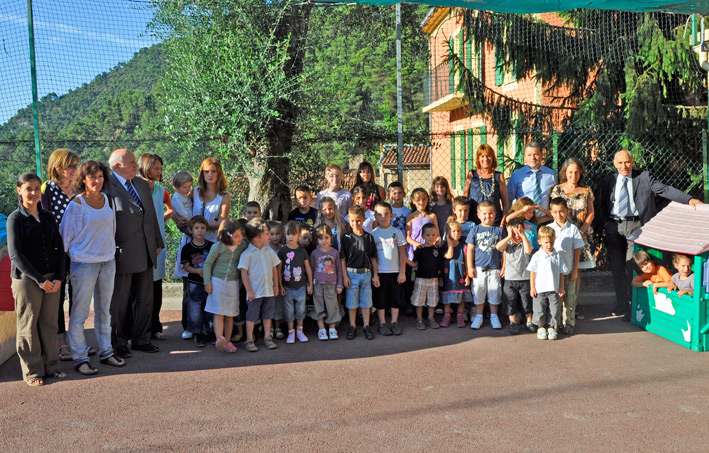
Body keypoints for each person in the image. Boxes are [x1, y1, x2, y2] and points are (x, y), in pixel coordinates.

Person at [598, 149, 702, 321]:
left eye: (627, 162)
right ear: (615, 164)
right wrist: (604, 223)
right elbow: (602, 203)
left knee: (633, 265)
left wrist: (688, 199)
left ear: (632, 162)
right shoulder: (609, 180)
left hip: (636, 227)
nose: (624, 166)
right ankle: (621, 305)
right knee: (617, 267)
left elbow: (665, 190)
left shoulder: (644, 177)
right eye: (620, 163)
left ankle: (633, 308)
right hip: (614, 226)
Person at [59, 161, 125, 375]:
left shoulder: (107, 200)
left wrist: (107, 253)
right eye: (91, 177)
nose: (97, 181)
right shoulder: (76, 204)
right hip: (84, 265)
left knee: (104, 312)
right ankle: (80, 358)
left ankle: (106, 352)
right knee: (79, 314)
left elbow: (112, 229)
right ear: (83, 180)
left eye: (99, 176)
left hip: (108, 262)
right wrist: (80, 256)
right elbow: (65, 237)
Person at [8, 173, 67, 386]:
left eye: (36, 188)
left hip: (53, 279)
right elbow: (16, 254)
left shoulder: (48, 216)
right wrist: (40, 280)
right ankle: (32, 372)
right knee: (28, 326)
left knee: (49, 324)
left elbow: (59, 248)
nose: (33, 193)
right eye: (28, 188)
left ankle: (52, 366)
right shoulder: (15, 218)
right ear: (19, 190)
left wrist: (60, 277)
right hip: (27, 280)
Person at [107, 149, 164, 358]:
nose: (135, 165)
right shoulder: (107, 187)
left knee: (145, 299)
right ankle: (119, 343)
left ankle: (141, 339)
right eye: (130, 162)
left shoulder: (141, 184)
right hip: (122, 253)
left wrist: (158, 241)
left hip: (147, 250)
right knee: (120, 303)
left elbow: (152, 217)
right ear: (116, 167)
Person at [174, 158, 231, 339]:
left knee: (209, 287)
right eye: (206, 171)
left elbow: (222, 223)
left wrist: (201, 224)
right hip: (191, 244)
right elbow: (178, 205)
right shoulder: (194, 192)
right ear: (202, 173)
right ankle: (189, 327)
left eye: (213, 171)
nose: (210, 174)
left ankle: (208, 326)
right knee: (189, 287)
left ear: (219, 173)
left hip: (211, 246)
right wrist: (176, 218)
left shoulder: (224, 196)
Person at [40, 148, 79, 362]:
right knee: (57, 298)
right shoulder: (47, 190)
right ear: (58, 168)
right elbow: (45, 223)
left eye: (76, 165)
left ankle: (76, 341)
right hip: (57, 254)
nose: (75, 169)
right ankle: (61, 343)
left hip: (79, 253)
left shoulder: (79, 189)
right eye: (71, 166)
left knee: (78, 297)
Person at [550, 157, 596, 320]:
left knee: (576, 272)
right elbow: (554, 212)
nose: (573, 175)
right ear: (565, 173)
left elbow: (591, 212)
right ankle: (560, 306)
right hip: (563, 236)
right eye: (570, 172)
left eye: (576, 172)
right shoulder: (558, 190)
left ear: (580, 173)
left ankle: (572, 307)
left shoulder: (586, 190)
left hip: (582, 236)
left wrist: (582, 231)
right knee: (561, 270)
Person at [137, 153, 172, 342]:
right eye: (156, 168)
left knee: (155, 288)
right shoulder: (133, 188)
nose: (159, 171)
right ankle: (137, 330)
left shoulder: (161, 191)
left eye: (161, 168)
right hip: (138, 248)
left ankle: (154, 327)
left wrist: (162, 219)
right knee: (138, 290)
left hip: (157, 248)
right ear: (145, 167)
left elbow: (172, 209)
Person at [239, 218, 281, 352]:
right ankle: (249, 339)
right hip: (254, 293)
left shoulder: (269, 251)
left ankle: (268, 337)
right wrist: (249, 291)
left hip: (268, 290)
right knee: (251, 316)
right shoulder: (246, 254)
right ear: (258, 237)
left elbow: (275, 268)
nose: (270, 236)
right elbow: (244, 274)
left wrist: (276, 286)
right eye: (267, 234)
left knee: (268, 315)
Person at [204, 220, 245, 353]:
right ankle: (219, 339)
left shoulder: (242, 246)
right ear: (228, 236)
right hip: (217, 282)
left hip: (233, 283)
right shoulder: (218, 247)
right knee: (219, 312)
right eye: (237, 235)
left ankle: (228, 341)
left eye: (241, 235)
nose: (240, 238)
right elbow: (207, 264)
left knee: (230, 313)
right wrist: (207, 282)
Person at [341, 205, 379, 340]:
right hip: (351, 274)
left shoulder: (369, 238)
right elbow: (343, 259)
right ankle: (352, 325)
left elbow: (373, 258)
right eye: (352, 221)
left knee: (366, 301)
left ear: (364, 220)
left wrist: (375, 275)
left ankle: (366, 325)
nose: (355, 223)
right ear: (349, 220)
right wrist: (345, 276)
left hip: (366, 274)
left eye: (358, 220)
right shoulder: (346, 237)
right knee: (352, 302)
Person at [466, 201, 505, 330]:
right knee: (478, 292)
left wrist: (503, 266)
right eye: (484, 214)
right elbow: (470, 250)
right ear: (478, 215)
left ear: (495, 214)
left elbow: (503, 251)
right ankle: (479, 316)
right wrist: (470, 267)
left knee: (494, 292)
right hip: (479, 269)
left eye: (490, 214)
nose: (487, 216)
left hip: (494, 269)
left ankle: (494, 316)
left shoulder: (499, 231)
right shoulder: (475, 230)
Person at [548, 198, 584, 335]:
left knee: (570, 300)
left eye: (562, 211)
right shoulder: (549, 229)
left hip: (568, 271)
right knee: (555, 300)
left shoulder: (572, 229)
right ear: (551, 213)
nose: (559, 215)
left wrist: (575, 269)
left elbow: (577, 250)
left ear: (567, 211)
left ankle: (569, 324)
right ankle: (555, 324)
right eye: (556, 212)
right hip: (554, 273)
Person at [371, 202, 407, 336]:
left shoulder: (396, 232)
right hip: (380, 273)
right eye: (379, 214)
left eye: (386, 214)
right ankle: (382, 323)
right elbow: (373, 257)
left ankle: (394, 322)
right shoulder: (373, 234)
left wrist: (402, 272)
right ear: (375, 216)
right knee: (380, 299)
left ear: (391, 215)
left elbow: (403, 253)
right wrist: (375, 275)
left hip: (395, 272)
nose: (383, 217)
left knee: (395, 298)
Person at [527, 226, 568, 340]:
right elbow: (532, 273)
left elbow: (561, 273)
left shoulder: (558, 256)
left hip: (554, 289)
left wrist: (561, 287)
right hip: (539, 289)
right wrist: (532, 288)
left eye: (551, 242)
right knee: (539, 309)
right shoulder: (537, 256)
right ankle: (540, 327)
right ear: (539, 242)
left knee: (554, 310)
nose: (549, 245)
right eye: (546, 242)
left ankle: (551, 327)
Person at [496, 217, 533, 335]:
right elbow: (498, 247)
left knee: (526, 301)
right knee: (510, 301)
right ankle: (512, 322)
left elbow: (528, 251)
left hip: (525, 278)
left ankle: (529, 321)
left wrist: (522, 235)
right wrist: (509, 236)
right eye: (514, 233)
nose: (516, 236)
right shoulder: (508, 243)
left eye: (518, 233)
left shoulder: (524, 242)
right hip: (510, 279)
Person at [278, 221, 313, 344]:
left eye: (293, 234)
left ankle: (299, 331)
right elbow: (279, 270)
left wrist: (310, 284)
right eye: (288, 234)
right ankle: (291, 332)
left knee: (300, 310)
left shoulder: (302, 251)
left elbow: (308, 268)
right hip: (287, 287)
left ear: (299, 235)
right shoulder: (282, 251)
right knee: (288, 310)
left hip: (301, 287)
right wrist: (280, 285)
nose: (290, 237)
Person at [181, 216, 213, 348]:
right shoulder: (187, 248)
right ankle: (197, 333)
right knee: (195, 308)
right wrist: (198, 271)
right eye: (197, 228)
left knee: (210, 307)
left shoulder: (211, 246)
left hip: (209, 283)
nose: (200, 231)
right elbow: (186, 267)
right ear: (191, 230)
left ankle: (211, 332)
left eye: (203, 228)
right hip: (194, 283)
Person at [506, 142, 557, 224]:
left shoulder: (551, 175)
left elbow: (555, 199)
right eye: (529, 155)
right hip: (523, 221)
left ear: (541, 155)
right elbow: (508, 199)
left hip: (545, 220)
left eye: (536, 154)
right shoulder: (517, 175)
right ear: (525, 157)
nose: (532, 158)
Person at [310, 225, 344, 340]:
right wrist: (310, 285)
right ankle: (322, 329)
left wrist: (340, 284)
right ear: (316, 239)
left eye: (326, 237)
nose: (323, 241)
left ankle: (332, 328)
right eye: (320, 238)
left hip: (332, 285)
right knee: (318, 307)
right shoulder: (314, 253)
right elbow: (311, 269)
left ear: (331, 237)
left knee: (332, 307)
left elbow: (339, 270)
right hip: (318, 285)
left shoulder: (335, 252)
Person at [408, 223, 443, 330]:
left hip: (434, 279)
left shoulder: (438, 249)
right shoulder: (420, 249)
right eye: (428, 235)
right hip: (421, 278)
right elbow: (415, 264)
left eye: (433, 235)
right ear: (422, 236)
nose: (431, 237)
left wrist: (440, 278)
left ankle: (431, 318)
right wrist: (405, 260)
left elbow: (440, 265)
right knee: (419, 300)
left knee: (432, 301)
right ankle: (419, 319)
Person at [464, 144, 509, 225]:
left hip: (494, 222)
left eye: (488, 156)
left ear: (493, 158)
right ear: (478, 159)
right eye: (482, 156)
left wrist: (502, 222)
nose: (485, 159)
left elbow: (505, 202)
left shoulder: (499, 176)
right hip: (474, 221)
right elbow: (464, 198)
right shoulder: (471, 175)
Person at [440, 219, 471, 328]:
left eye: (458, 231)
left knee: (461, 297)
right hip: (449, 275)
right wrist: (449, 243)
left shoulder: (464, 246)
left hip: (460, 274)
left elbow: (467, 262)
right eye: (453, 231)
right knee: (447, 297)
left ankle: (460, 316)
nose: (456, 233)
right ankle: (447, 316)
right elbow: (449, 256)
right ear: (448, 233)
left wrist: (467, 276)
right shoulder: (443, 247)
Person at [267, 221, 286, 340]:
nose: (275, 237)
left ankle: (278, 327)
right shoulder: (266, 248)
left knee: (279, 303)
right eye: (272, 234)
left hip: (281, 281)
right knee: (269, 304)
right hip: (268, 281)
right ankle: (270, 328)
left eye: (277, 233)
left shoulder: (283, 248)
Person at [430, 176, 453, 244]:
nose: (440, 189)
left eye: (442, 187)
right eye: (437, 187)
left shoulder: (451, 205)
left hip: (448, 236)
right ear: (434, 188)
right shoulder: (431, 206)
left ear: (446, 188)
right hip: (434, 237)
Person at [171, 171, 194, 235]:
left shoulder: (185, 195)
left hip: (190, 220)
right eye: (185, 187)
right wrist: (192, 220)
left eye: (189, 186)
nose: (188, 189)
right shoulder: (177, 198)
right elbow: (181, 211)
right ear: (176, 187)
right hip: (184, 223)